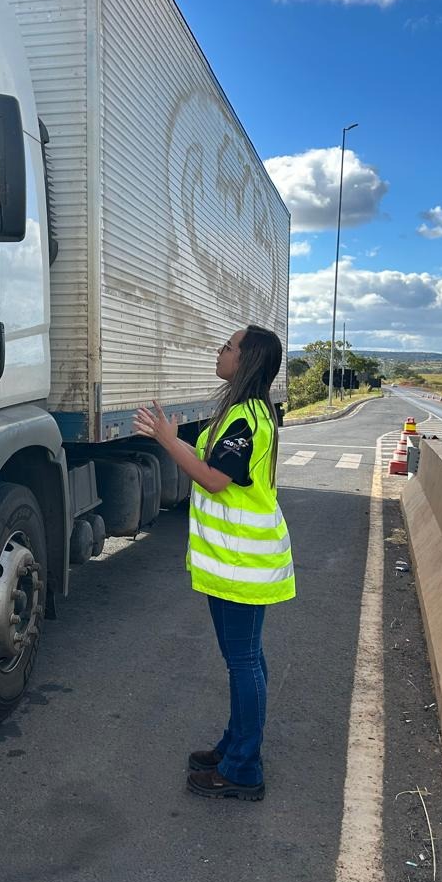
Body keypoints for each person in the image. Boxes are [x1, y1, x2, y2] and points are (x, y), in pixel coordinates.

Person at [133, 324, 294, 802]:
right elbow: (209, 464)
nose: (220, 352)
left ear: (244, 362)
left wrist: (166, 439)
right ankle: (234, 747)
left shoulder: (249, 420)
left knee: (244, 661)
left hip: (245, 563)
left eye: (228, 348)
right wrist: (169, 436)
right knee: (244, 659)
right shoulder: (240, 413)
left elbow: (213, 478)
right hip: (233, 564)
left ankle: (244, 768)